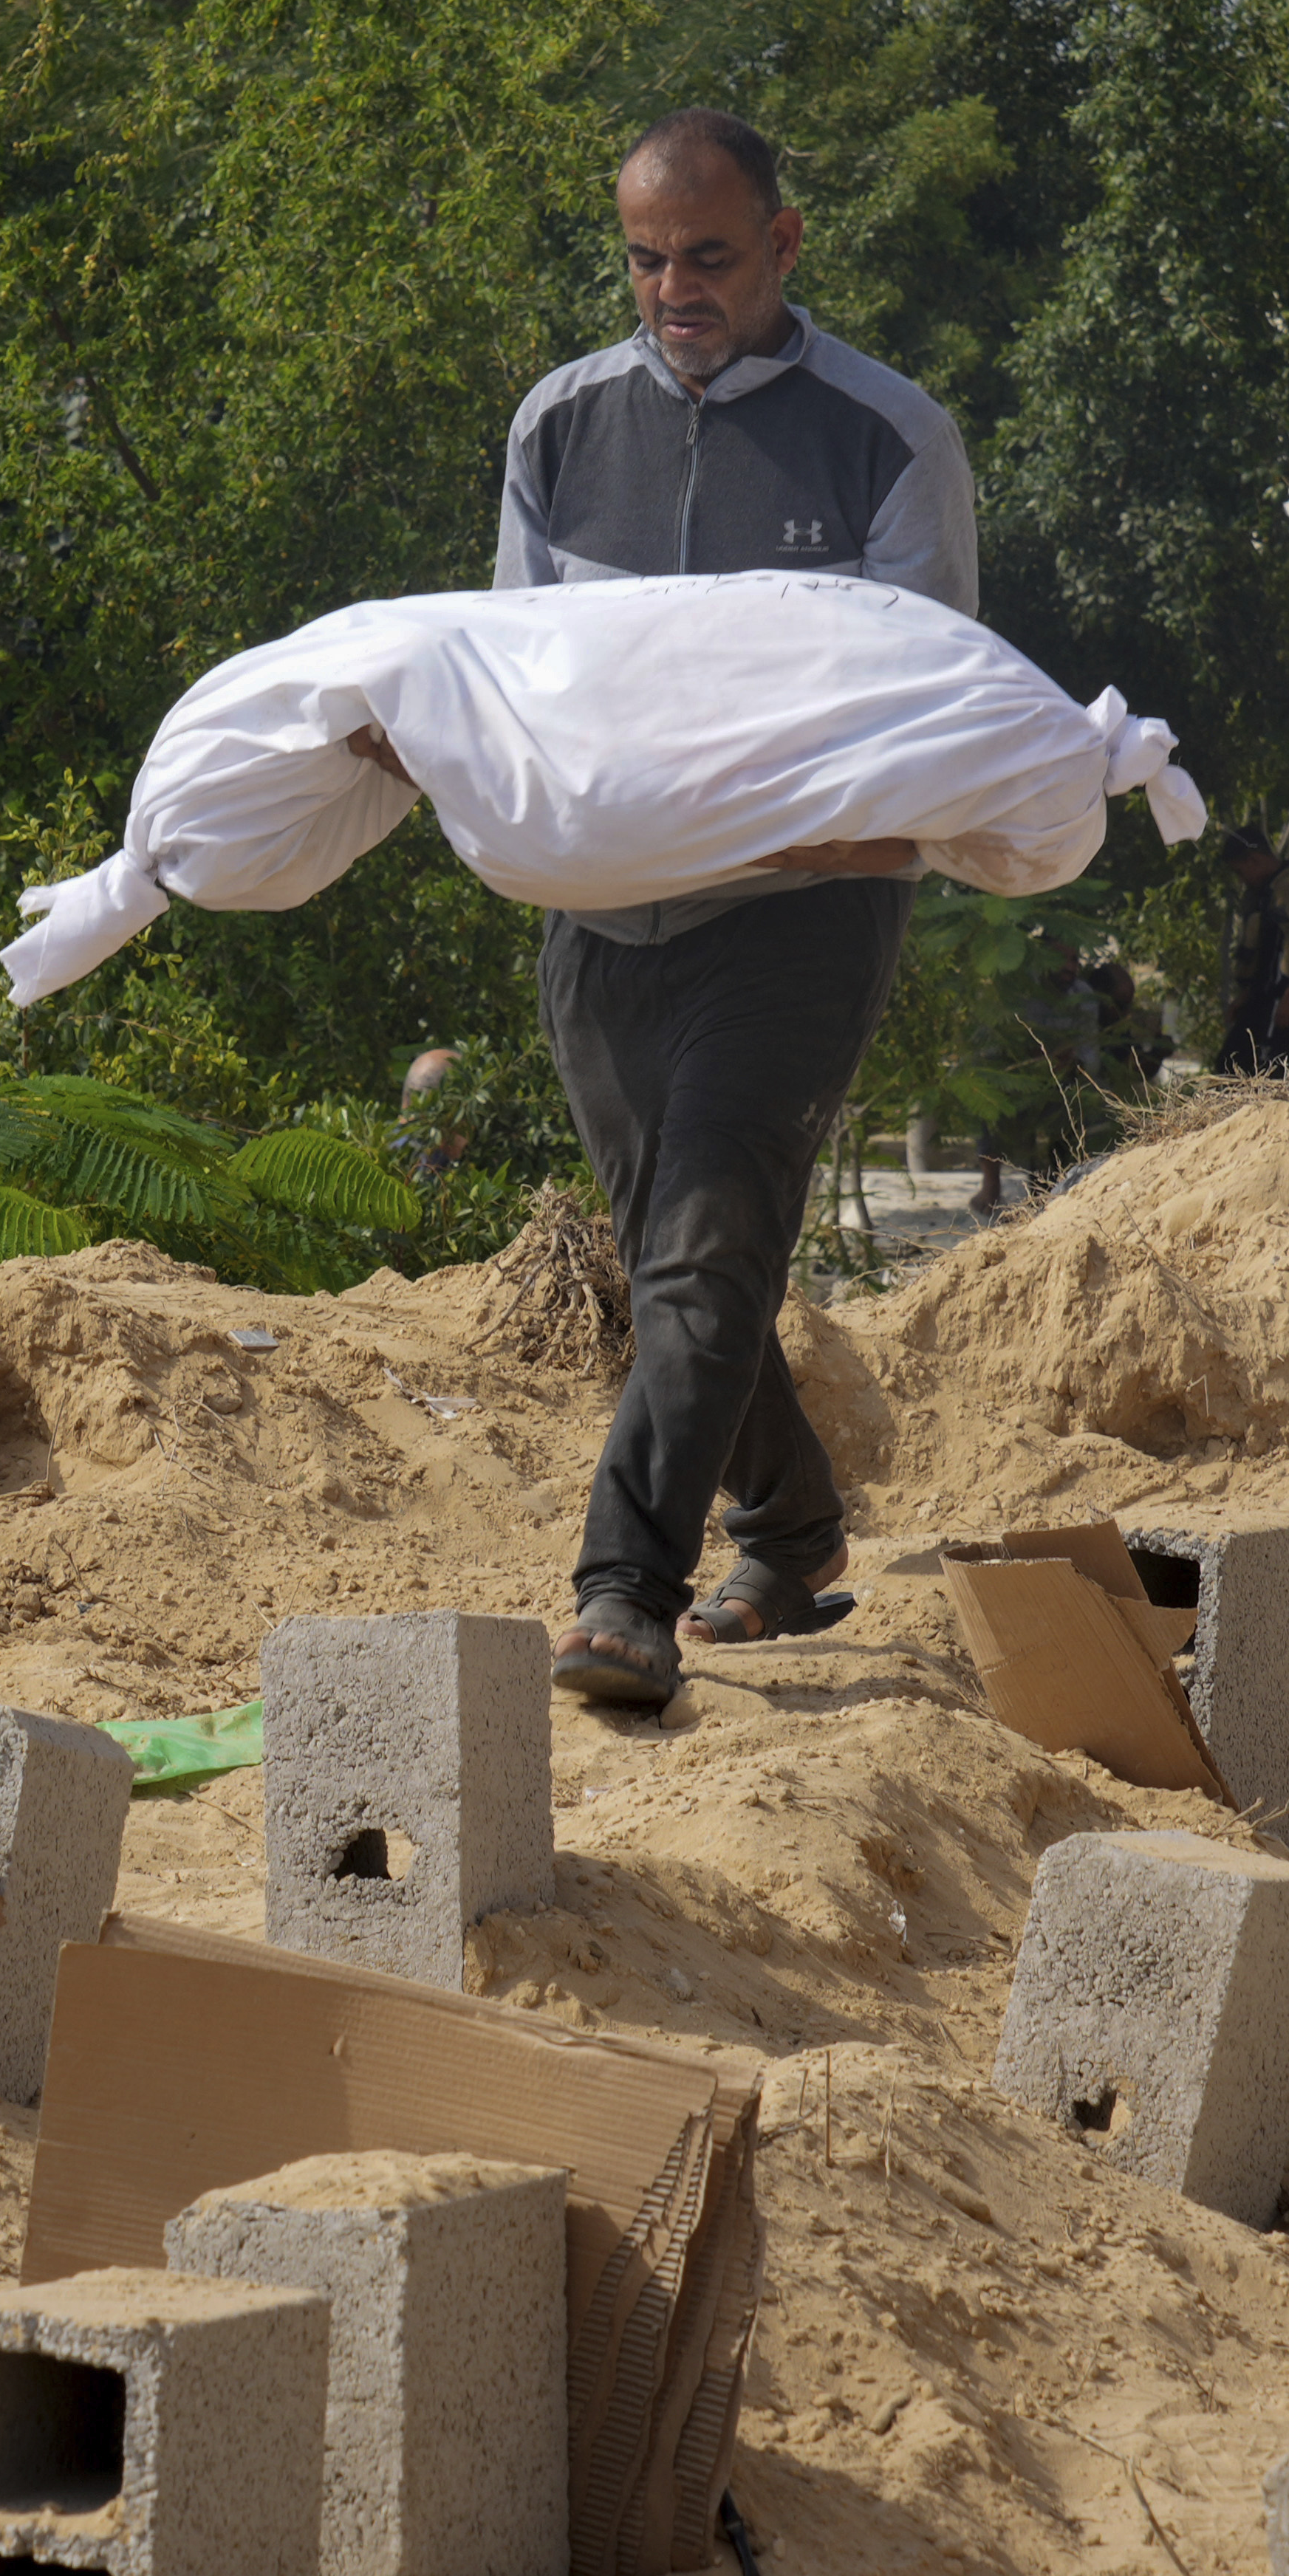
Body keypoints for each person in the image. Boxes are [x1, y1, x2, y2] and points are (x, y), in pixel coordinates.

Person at [476, 104, 977, 1702]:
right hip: (602, 928)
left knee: (699, 1256)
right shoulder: (558, 426)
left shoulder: (886, 438)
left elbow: (925, 698)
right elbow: (513, 671)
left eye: (705, 255)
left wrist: (853, 829)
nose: (671, 289)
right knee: (682, 1260)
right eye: (643, 259)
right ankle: (794, 1522)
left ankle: (622, 1588)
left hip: (794, 922)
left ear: (782, 240)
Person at [1217, 827, 1289, 1077]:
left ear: (1254, 860)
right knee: (1232, 1063)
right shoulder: (1270, 892)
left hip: (1286, 1001)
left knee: (1265, 1070)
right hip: (1265, 998)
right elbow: (1266, 952)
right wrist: (1247, 994)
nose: (1242, 880)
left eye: (1241, 871)